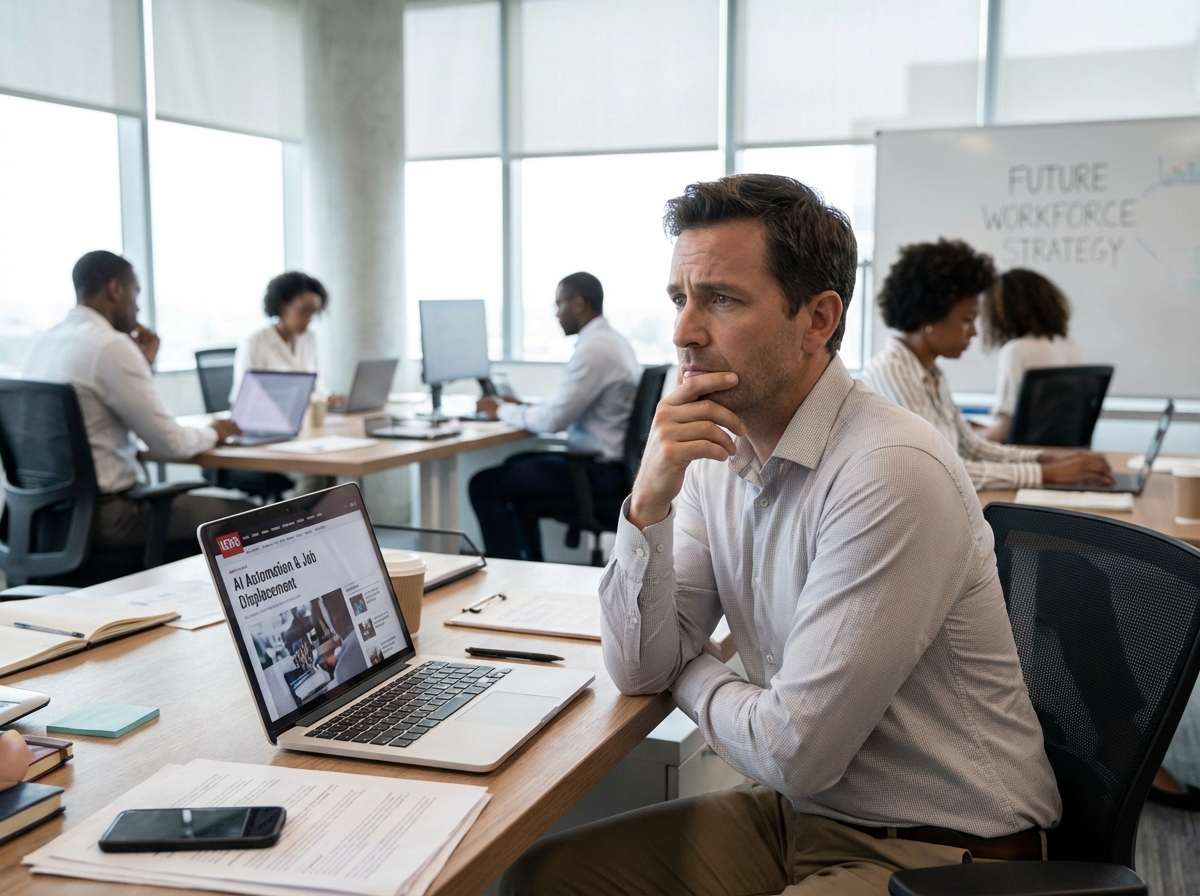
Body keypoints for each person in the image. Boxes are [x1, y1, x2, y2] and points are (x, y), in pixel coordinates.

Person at [502, 175, 1061, 895]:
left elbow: (792, 751)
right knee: (544, 879)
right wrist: (648, 500)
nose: (683, 331)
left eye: (722, 299)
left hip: (942, 852)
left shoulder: (888, 469)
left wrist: (691, 666)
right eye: (680, 298)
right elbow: (640, 668)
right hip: (800, 815)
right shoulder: (713, 451)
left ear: (817, 320)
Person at [21, 251, 251, 558]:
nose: (138, 306)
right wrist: (214, 431)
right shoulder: (110, 345)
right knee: (253, 519)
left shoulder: (41, 343)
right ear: (115, 288)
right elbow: (171, 442)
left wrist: (144, 365)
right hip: (109, 517)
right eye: (136, 293)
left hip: (48, 520)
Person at [861, 239, 1112, 491]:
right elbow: (941, 469)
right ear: (929, 316)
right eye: (967, 320)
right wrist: (1045, 473)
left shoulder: (931, 373)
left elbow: (972, 446)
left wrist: (1045, 458)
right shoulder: (892, 373)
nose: (974, 332)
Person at [469, 272, 640, 560]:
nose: (556, 314)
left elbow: (552, 421)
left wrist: (501, 410)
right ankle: (526, 566)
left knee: (484, 485)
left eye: (559, 304)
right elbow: (566, 405)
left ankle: (507, 572)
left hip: (596, 473)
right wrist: (522, 407)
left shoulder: (595, 349)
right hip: (608, 467)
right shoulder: (611, 341)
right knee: (514, 467)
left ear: (579, 304)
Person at [979, 268, 1083, 443]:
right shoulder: (1069, 346)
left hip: (1026, 459)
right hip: (1063, 455)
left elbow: (1003, 433)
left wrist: (970, 438)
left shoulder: (1016, 351)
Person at [231, 271, 329, 402]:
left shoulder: (310, 338)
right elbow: (246, 397)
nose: (309, 319)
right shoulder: (256, 342)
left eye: (314, 313)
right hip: (268, 418)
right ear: (283, 305)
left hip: (306, 417)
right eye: (305, 311)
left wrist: (327, 398)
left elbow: (317, 388)